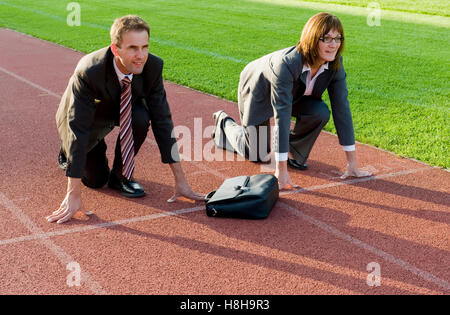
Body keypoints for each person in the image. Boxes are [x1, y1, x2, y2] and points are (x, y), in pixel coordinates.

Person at [47, 15, 204, 224]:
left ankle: (121, 177)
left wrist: (181, 181)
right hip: (87, 115)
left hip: (125, 106)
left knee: (141, 116)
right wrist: (73, 193)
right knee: (95, 180)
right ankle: (68, 154)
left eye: (144, 47)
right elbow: (78, 128)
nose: (140, 55)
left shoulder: (153, 68)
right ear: (115, 49)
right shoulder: (89, 71)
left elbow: (163, 121)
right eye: (132, 48)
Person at [212, 12, 372, 189]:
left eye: (338, 38)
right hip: (258, 89)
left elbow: (342, 107)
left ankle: (293, 153)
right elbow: (283, 115)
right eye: (326, 38)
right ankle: (224, 124)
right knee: (256, 153)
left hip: (295, 94)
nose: (333, 45)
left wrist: (352, 164)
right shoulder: (286, 64)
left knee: (319, 113)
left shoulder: (335, 63)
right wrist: (280, 171)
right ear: (312, 39)